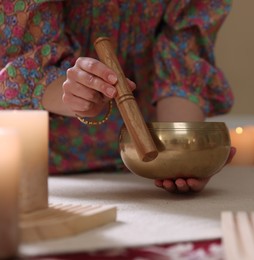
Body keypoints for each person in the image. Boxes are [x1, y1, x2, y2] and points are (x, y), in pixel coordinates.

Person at [0, 0, 234, 193]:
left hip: (142, 170)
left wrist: (185, 154)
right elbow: (20, 64)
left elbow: (183, 61)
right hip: (39, 175)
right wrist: (74, 93)